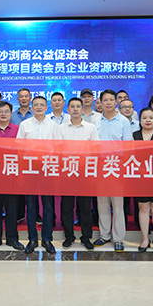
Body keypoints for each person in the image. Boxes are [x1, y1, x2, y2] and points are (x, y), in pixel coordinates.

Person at [17, 96, 61, 254]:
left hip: (48, 168)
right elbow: (19, 146)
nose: (39, 107)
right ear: (32, 107)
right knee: (31, 206)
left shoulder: (53, 125)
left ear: (46, 107)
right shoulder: (25, 124)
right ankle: (32, 239)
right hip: (30, 169)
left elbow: (58, 146)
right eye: (36, 105)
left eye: (42, 104)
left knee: (48, 206)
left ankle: (47, 239)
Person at [93, 89, 133, 252]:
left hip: (117, 166)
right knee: (102, 203)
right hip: (99, 166)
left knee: (117, 205)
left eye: (111, 100)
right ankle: (104, 235)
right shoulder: (95, 121)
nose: (108, 103)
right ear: (100, 103)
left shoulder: (123, 121)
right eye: (105, 100)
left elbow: (128, 145)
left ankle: (118, 238)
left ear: (116, 102)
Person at [59, 97, 99, 251]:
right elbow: (57, 149)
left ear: (83, 109)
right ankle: (69, 237)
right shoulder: (61, 128)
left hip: (84, 172)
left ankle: (86, 237)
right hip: (67, 171)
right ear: (68, 110)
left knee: (85, 207)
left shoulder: (90, 127)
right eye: (72, 107)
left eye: (78, 106)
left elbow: (96, 148)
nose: (75, 109)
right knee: (67, 206)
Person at [0, 101, 24, 252]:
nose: (3, 114)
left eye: (6, 111)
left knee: (12, 209)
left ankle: (12, 238)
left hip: (12, 174)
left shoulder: (18, 130)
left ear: (11, 114)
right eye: (0, 111)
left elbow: (22, 151)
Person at [131, 107, 153, 255]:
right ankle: (145, 238)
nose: (148, 120)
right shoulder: (135, 135)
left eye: (151, 118)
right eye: (144, 118)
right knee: (143, 208)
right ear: (139, 120)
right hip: (141, 178)